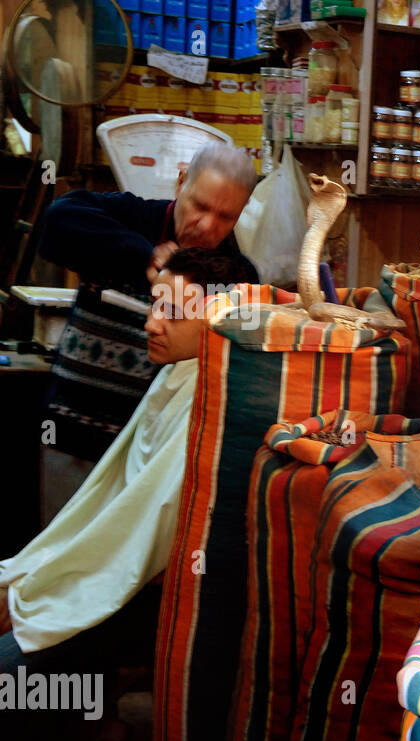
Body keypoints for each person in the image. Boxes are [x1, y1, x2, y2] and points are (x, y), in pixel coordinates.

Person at [0, 248, 259, 674]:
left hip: (152, 595)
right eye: (155, 305)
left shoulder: (215, 401)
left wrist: (50, 592)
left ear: (219, 320)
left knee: (12, 665)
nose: (151, 323)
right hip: (123, 579)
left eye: (172, 312)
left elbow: (143, 546)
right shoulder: (178, 373)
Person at [36, 143, 256, 462]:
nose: (208, 225)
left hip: (156, 454)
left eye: (226, 216)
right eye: (200, 206)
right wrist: (144, 254)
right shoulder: (130, 218)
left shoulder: (237, 276)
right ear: (182, 182)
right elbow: (56, 220)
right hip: (71, 432)